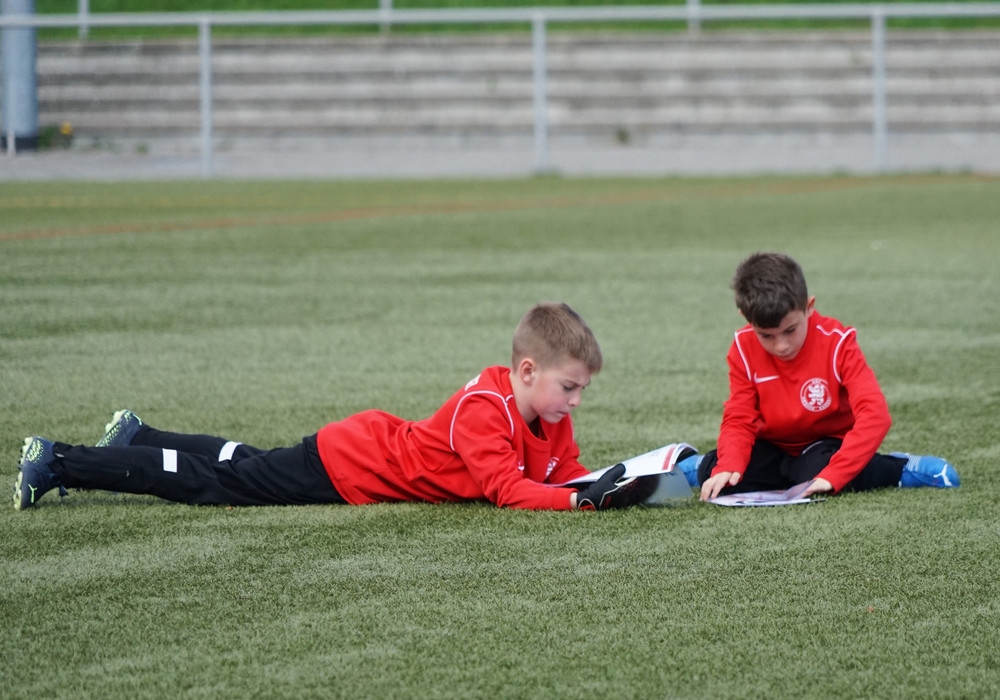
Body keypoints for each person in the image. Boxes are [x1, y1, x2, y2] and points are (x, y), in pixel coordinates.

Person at [13, 302, 642, 512]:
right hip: (349, 465)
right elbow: (508, 490)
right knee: (215, 483)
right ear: (527, 371)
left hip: (358, 448)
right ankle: (59, 460)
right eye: (568, 387)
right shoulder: (486, 409)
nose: (575, 400)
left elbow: (562, 471)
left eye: (581, 389)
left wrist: (608, 484)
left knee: (242, 462)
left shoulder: (549, 414)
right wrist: (577, 501)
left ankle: (136, 435)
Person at [676, 252, 960, 501]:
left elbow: (875, 415)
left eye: (790, 330)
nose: (781, 346)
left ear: (809, 307)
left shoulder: (838, 343)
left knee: (816, 476)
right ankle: (695, 465)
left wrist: (834, 475)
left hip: (825, 445)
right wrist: (727, 466)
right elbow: (740, 417)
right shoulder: (742, 346)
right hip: (772, 447)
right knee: (728, 478)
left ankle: (898, 468)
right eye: (767, 336)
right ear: (745, 318)